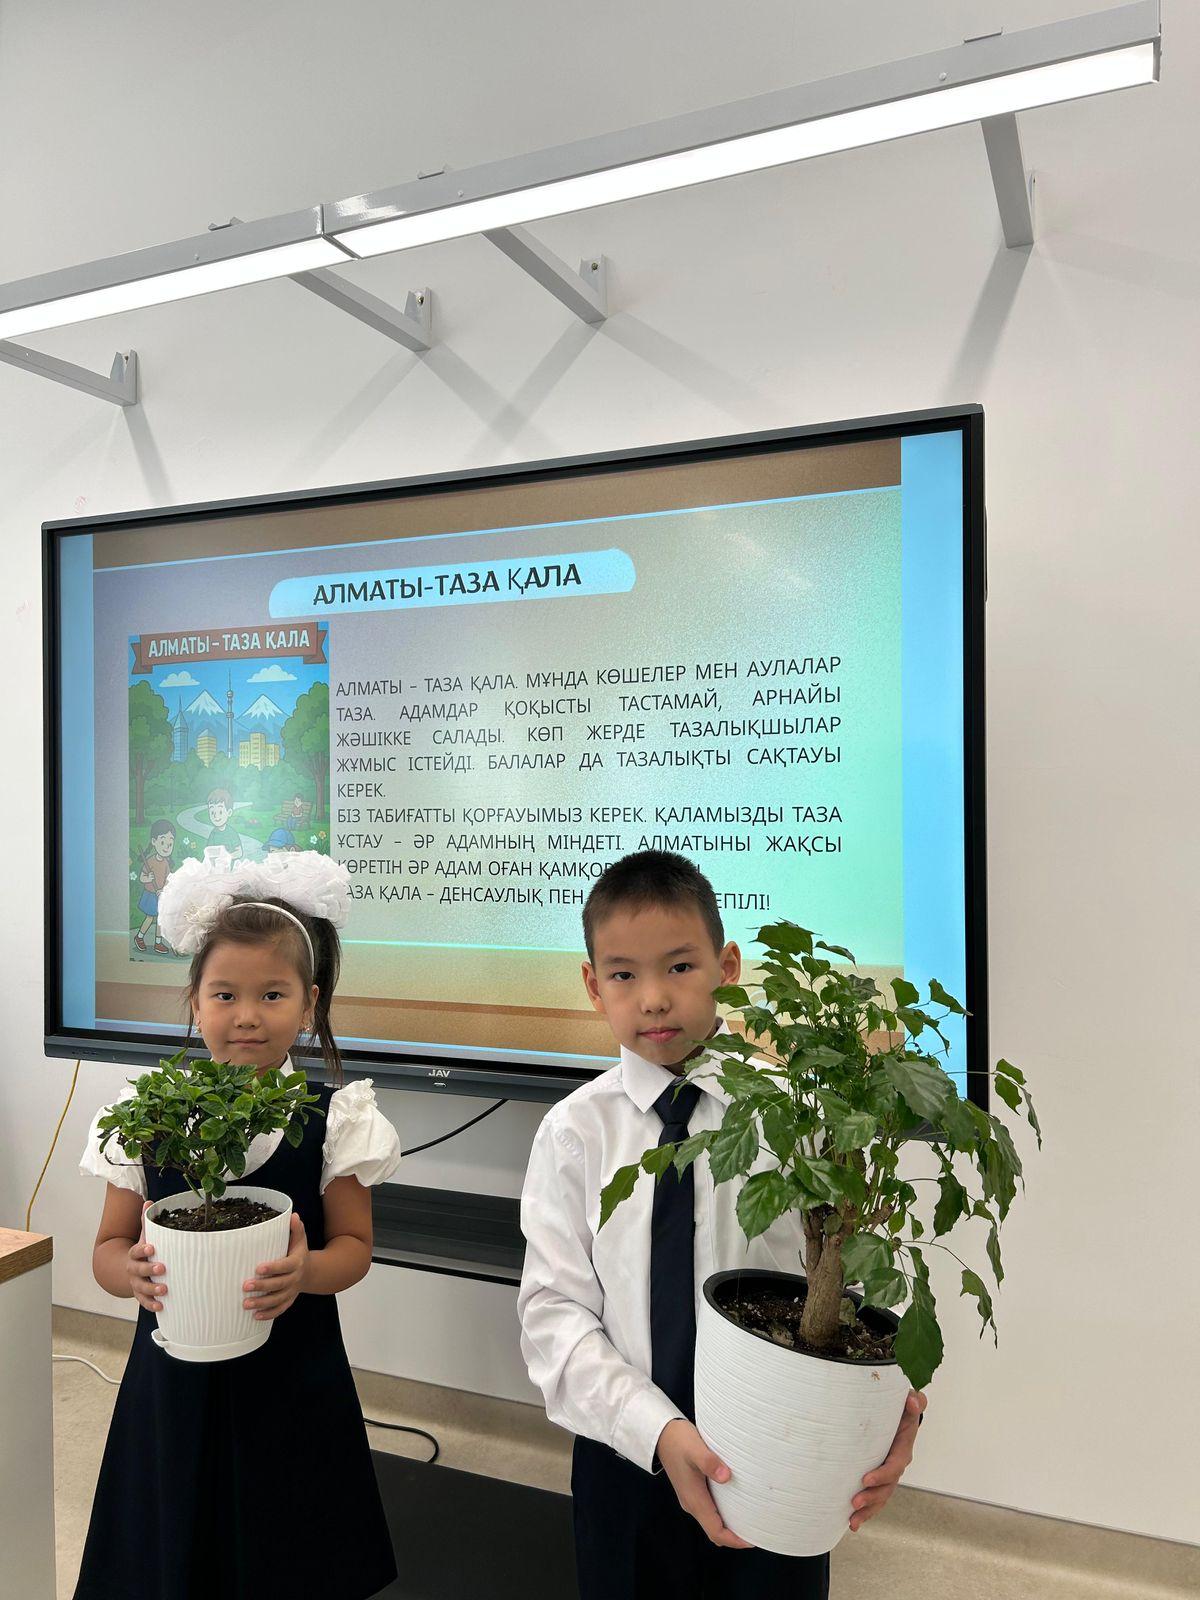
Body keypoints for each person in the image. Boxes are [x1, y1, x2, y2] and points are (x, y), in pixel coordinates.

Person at [518, 850, 927, 1600]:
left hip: (779, 1460)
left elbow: (851, 1301)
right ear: (593, 985)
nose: (653, 999)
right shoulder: (575, 1134)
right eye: (623, 975)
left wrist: (886, 1420)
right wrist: (657, 1430)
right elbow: (553, 1316)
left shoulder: (798, 1117)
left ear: (727, 966)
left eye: (679, 967)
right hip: (627, 1459)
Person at [76, 850, 401, 1600]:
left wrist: (307, 1271)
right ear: (195, 1002)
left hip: (293, 1377)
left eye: (272, 994)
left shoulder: (338, 1118)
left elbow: (354, 1247)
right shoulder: (146, 1113)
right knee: (173, 1541)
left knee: (287, 1543)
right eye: (224, 994)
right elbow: (107, 1248)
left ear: (309, 1004)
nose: (247, 1015)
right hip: (171, 1377)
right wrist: (127, 1272)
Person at [133, 819, 175, 954]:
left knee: (160, 920)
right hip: (150, 895)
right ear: (154, 841)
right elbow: (141, 878)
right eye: (162, 842)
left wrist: (163, 890)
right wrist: (148, 878)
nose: (166, 847)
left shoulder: (166, 863)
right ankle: (139, 937)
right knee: (150, 917)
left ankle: (158, 942)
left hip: (160, 895)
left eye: (170, 843)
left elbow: (168, 879)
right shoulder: (150, 861)